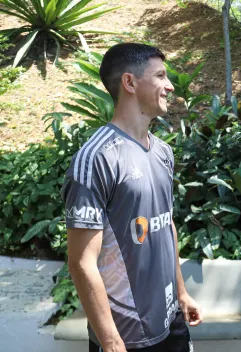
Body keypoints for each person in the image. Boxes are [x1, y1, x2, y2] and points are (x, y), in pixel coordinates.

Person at [62, 43, 202, 352]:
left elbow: (166, 226)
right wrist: (110, 341)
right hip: (124, 334)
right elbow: (81, 262)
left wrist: (181, 294)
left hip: (171, 321)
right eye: (161, 76)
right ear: (130, 83)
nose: (169, 86)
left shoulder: (163, 152)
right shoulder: (97, 158)